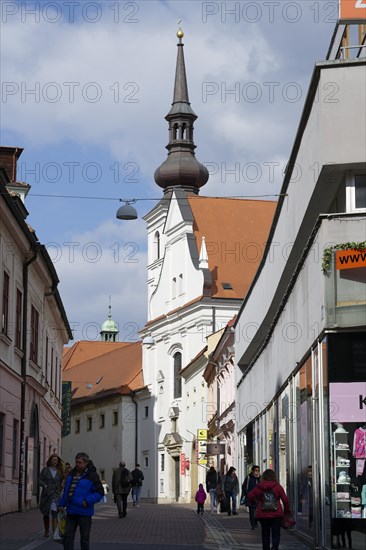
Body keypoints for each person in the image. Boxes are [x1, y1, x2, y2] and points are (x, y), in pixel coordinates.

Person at [58, 452, 104, 550]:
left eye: (80, 462)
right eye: (76, 462)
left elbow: (100, 493)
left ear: (86, 463)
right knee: (67, 537)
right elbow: (67, 490)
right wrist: (61, 504)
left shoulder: (92, 475)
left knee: (84, 540)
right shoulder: (71, 474)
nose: (77, 464)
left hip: (84, 513)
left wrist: (87, 501)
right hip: (71, 512)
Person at [247, 468, 290, 550]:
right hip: (277, 514)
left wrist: (255, 502)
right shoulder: (277, 486)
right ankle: (274, 547)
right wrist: (287, 510)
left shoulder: (259, 487)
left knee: (265, 534)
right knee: (276, 533)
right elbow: (285, 500)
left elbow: (250, 496)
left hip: (263, 514)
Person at [39, 453, 65, 537]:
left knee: (55, 512)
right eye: (53, 460)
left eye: (56, 460)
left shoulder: (60, 471)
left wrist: (61, 488)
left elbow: (62, 482)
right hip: (47, 494)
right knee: (46, 513)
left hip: (55, 494)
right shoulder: (45, 470)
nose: (55, 462)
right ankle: (46, 531)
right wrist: (45, 485)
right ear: (50, 461)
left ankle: (54, 531)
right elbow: (39, 480)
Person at [241, 465, 261, 529]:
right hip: (250, 497)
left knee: (258, 511)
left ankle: (255, 521)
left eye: (258, 471)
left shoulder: (260, 478)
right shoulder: (249, 477)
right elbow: (244, 486)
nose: (257, 472)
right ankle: (253, 525)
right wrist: (247, 493)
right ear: (253, 471)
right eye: (256, 470)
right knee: (251, 512)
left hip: (258, 498)